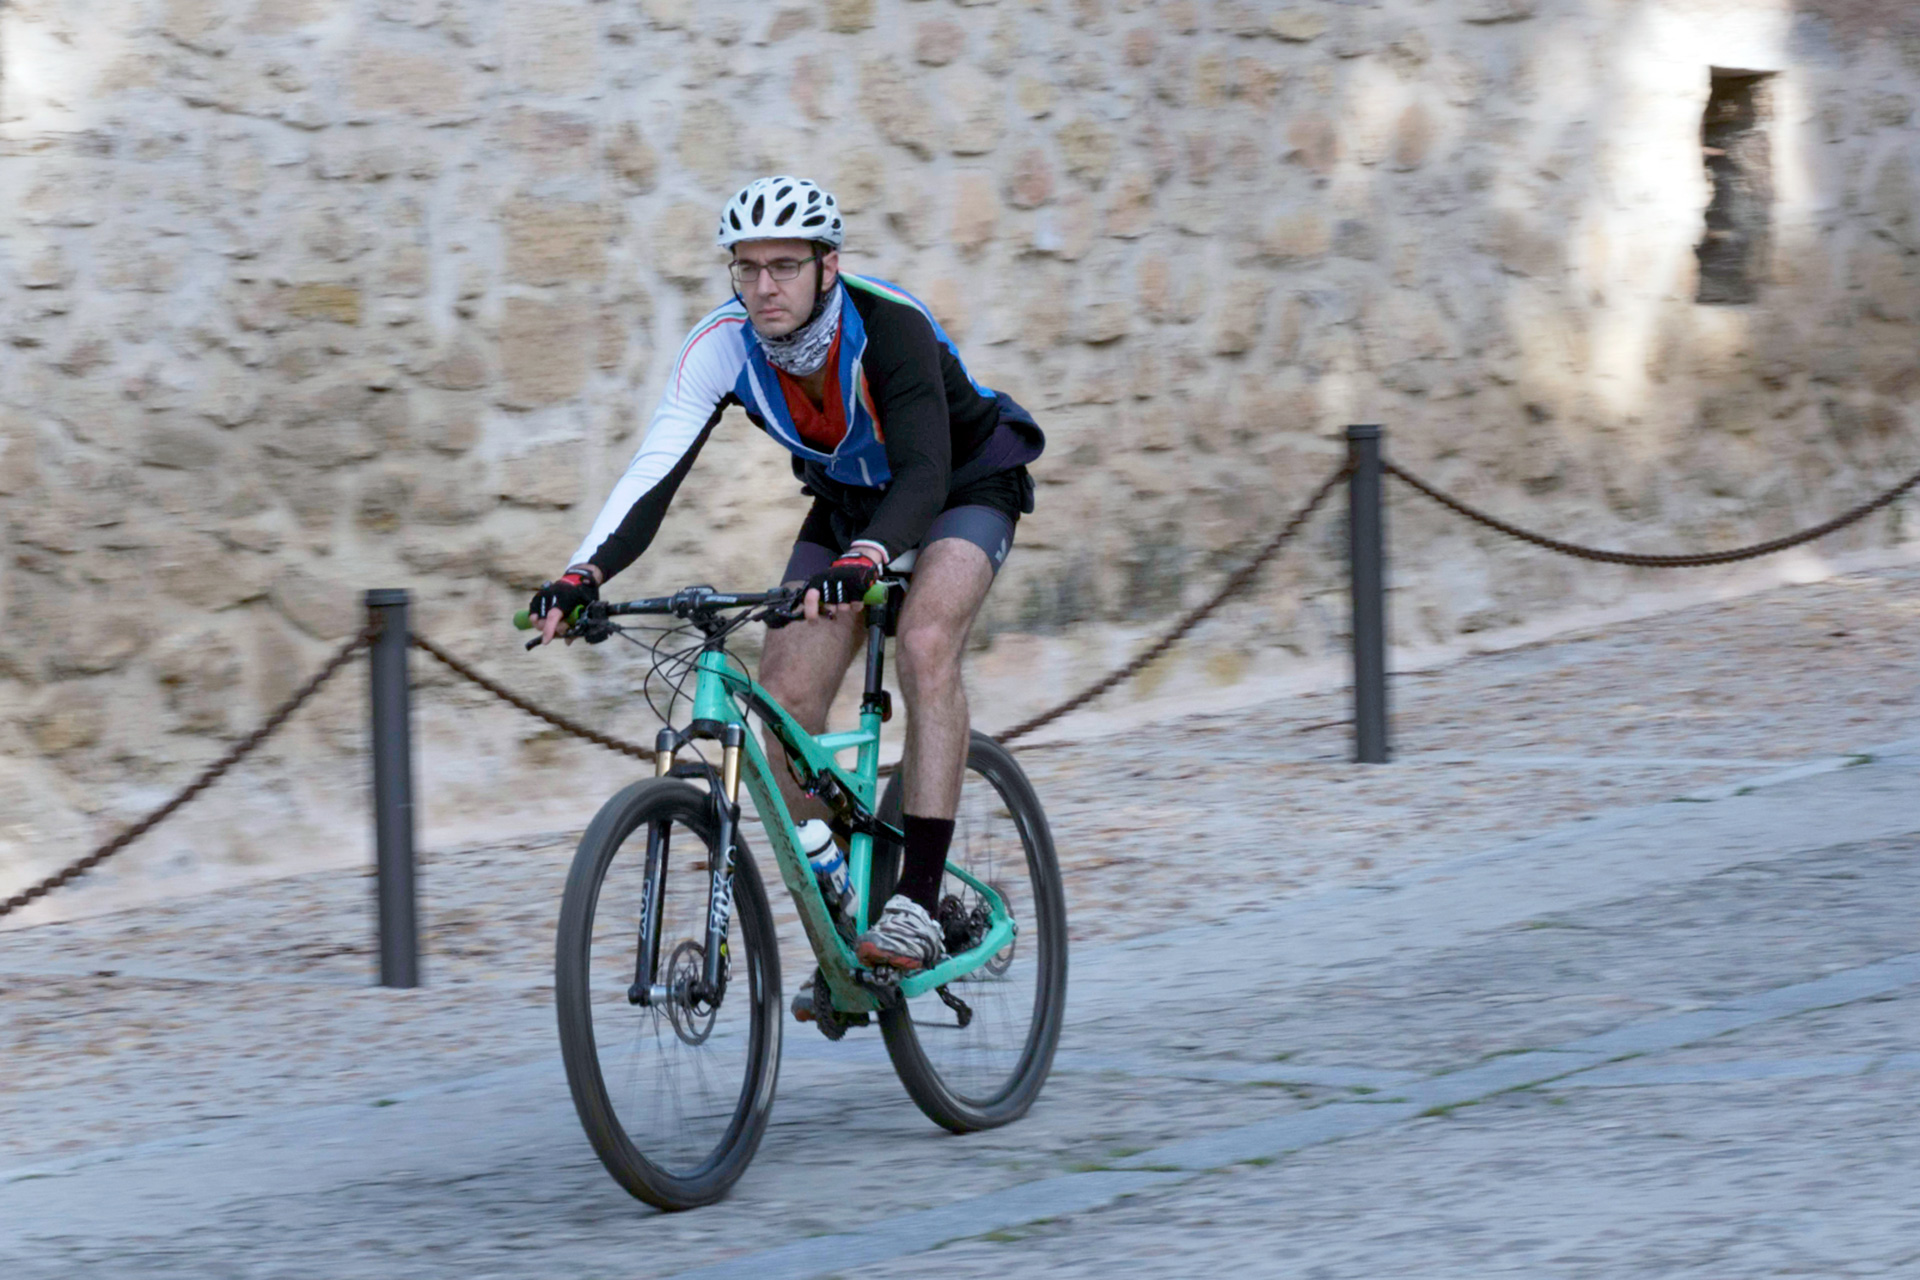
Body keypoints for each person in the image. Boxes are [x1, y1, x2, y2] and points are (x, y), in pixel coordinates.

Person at [526, 176, 1043, 1002]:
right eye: (747, 267)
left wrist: (870, 556)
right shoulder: (722, 345)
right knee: (784, 698)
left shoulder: (890, 327)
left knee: (925, 642)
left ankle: (916, 902)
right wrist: (581, 573)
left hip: (961, 483)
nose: (764, 286)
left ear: (827, 265)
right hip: (851, 507)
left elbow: (922, 470)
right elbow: (657, 467)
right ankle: (842, 890)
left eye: (785, 266)